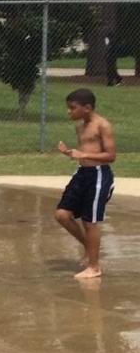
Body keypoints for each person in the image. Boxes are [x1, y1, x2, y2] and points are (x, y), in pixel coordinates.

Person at [55, 88, 116, 279]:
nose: (69, 112)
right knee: (62, 215)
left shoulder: (102, 125)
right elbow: (83, 152)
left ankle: (94, 266)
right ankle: (90, 248)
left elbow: (111, 156)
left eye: (73, 108)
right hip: (83, 173)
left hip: (99, 175)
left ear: (87, 107)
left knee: (90, 221)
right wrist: (70, 153)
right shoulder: (80, 127)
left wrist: (84, 154)